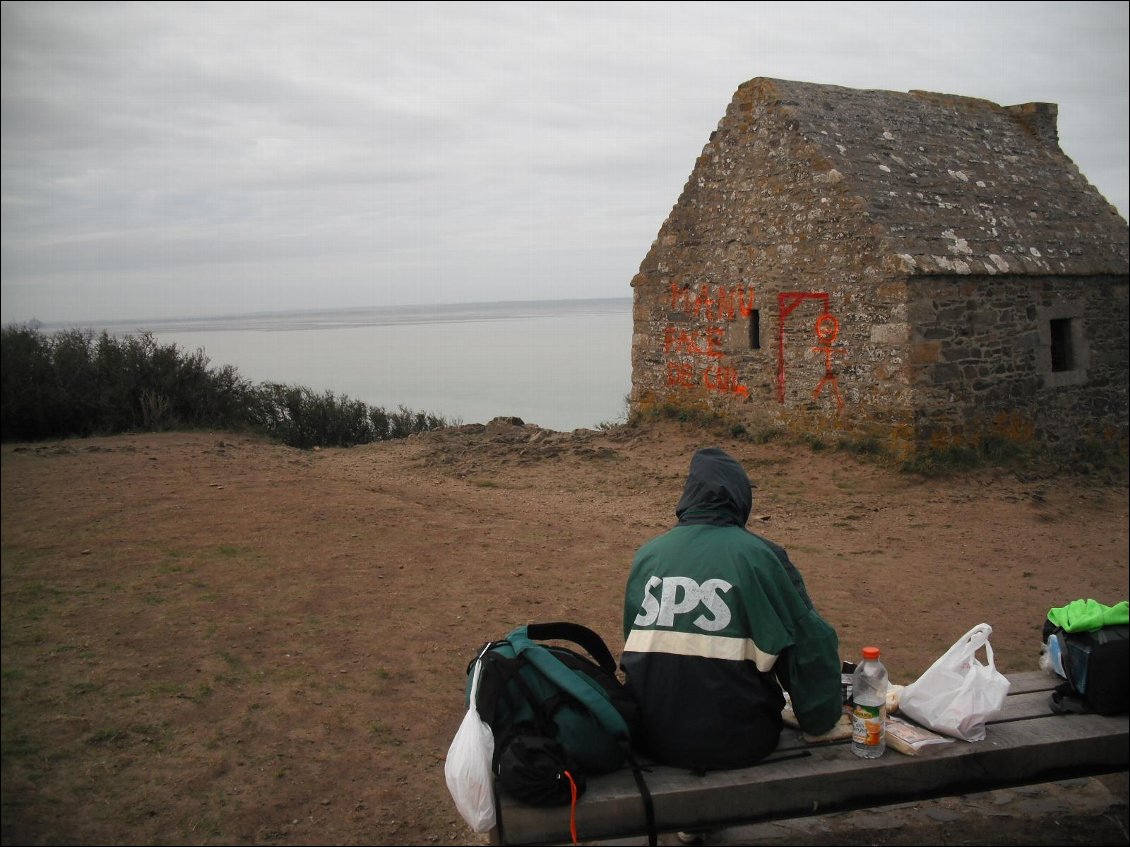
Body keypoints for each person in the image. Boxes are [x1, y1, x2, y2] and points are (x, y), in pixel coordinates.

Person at [620, 446, 843, 772]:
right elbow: (810, 645)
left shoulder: (648, 556)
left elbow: (636, 645)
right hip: (741, 740)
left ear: (688, 496)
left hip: (651, 738)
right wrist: (820, 720)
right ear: (740, 498)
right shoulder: (763, 557)